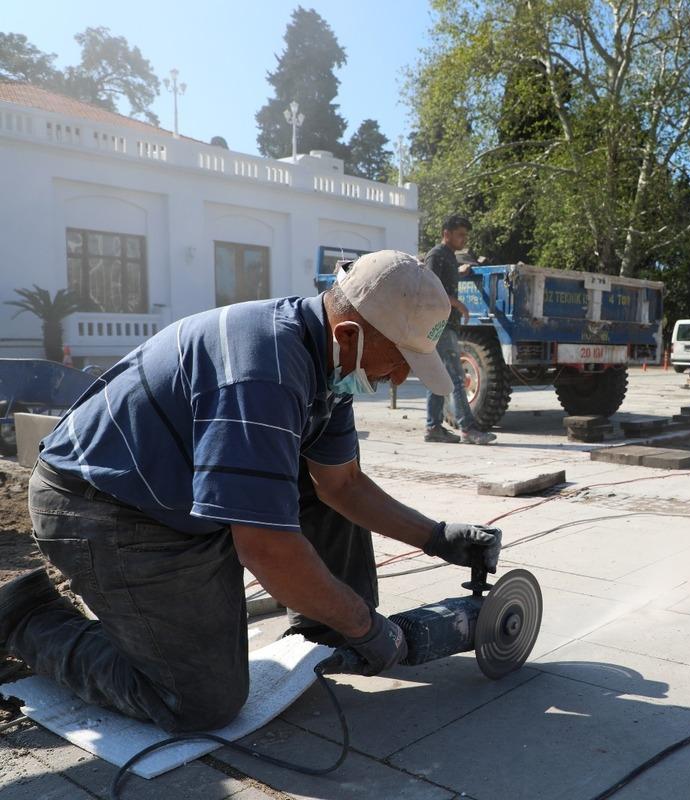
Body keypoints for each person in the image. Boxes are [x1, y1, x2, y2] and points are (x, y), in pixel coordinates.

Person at [0, 251, 503, 733]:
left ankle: (324, 631)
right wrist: (367, 625)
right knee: (200, 701)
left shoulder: (329, 361)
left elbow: (341, 485)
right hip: (102, 507)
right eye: (397, 361)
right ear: (349, 335)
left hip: (173, 492)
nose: (398, 378)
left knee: (314, 493)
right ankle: (27, 616)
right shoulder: (262, 370)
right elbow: (264, 545)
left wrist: (438, 538)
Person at [423, 215, 496, 445]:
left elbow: (446, 277)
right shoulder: (436, 255)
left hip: (445, 324)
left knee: (439, 376)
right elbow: (430, 287)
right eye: (460, 234)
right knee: (455, 376)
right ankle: (468, 429)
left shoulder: (449, 258)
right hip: (440, 324)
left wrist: (461, 271)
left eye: (465, 234)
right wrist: (459, 304)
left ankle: (433, 427)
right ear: (447, 233)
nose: (464, 239)